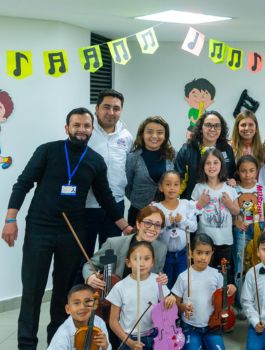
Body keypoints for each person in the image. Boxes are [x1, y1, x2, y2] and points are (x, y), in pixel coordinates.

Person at [2, 107, 132, 349]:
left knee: (63, 292)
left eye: (86, 126)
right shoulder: (47, 151)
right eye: (77, 125)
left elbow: (105, 197)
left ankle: (57, 342)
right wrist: (10, 220)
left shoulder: (95, 160)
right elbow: (22, 183)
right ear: (67, 128)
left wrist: (125, 227)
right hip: (39, 229)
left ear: (91, 130)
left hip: (72, 233)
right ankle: (26, 345)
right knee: (33, 291)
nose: (81, 130)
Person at [85, 89, 132, 253]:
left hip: (116, 204)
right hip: (87, 205)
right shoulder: (86, 132)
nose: (111, 112)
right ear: (96, 108)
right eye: (106, 107)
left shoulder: (126, 136)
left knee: (109, 255)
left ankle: (107, 279)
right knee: (84, 253)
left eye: (116, 108)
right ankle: (85, 280)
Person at [106, 241, 176, 350]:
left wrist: (171, 298)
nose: (142, 264)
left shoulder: (157, 280)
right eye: (137, 259)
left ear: (153, 262)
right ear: (128, 263)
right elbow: (113, 321)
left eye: (146, 259)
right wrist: (129, 343)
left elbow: (167, 300)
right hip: (129, 338)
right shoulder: (120, 287)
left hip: (155, 336)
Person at [172, 234, 236, 350]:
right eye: (199, 252)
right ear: (191, 253)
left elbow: (224, 298)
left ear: (212, 253)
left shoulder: (217, 275)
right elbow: (176, 302)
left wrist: (231, 288)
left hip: (212, 325)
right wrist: (182, 307)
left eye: (207, 253)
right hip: (190, 326)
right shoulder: (183, 276)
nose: (203, 257)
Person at [84, 205, 168, 288]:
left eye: (157, 225)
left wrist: (162, 278)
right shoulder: (114, 245)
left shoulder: (161, 249)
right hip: (114, 296)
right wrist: (90, 277)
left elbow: (157, 274)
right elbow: (91, 265)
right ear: (138, 224)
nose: (152, 228)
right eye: (148, 223)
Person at [192, 148, 241, 283]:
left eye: (215, 163)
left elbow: (237, 211)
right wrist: (200, 204)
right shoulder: (199, 187)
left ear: (221, 165)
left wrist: (230, 204)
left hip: (225, 241)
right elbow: (191, 213)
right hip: (204, 242)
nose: (212, 166)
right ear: (203, 166)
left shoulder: (229, 188)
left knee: (223, 275)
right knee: (203, 274)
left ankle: (222, 302)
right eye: (208, 163)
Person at [233, 155, 265, 316]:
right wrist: (236, 221)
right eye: (243, 171)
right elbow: (231, 211)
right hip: (241, 229)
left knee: (259, 263)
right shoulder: (234, 189)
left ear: (257, 171)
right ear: (238, 172)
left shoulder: (262, 188)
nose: (247, 174)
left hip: (258, 227)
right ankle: (241, 304)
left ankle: (259, 302)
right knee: (241, 264)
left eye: (251, 171)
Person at [151, 170, 198, 289]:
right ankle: (166, 307)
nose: (172, 188)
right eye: (168, 184)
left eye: (176, 184)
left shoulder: (186, 205)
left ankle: (180, 307)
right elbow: (153, 233)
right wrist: (166, 223)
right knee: (165, 285)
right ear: (161, 187)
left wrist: (182, 221)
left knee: (182, 285)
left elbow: (193, 228)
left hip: (183, 254)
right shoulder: (156, 207)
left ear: (180, 187)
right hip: (163, 256)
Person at [125, 116, 175, 224]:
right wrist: (140, 200)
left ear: (165, 135)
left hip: (166, 213)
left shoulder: (172, 156)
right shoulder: (133, 158)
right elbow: (127, 186)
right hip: (138, 213)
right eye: (150, 132)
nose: (154, 136)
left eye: (160, 132)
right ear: (142, 134)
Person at [177, 111, 236, 200]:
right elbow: (178, 178)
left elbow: (231, 174)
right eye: (208, 125)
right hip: (191, 203)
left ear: (221, 129)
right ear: (201, 128)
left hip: (220, 203)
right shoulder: (187, 149)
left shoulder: (227, 149)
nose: (212, 129)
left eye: (217, 126)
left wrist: (232, 180)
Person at [48, 284, 110, 350]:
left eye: (87, 301)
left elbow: (108, 348)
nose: (82, 307)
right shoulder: (62, 334)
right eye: (77, 303)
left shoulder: (100, 323)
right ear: (68, 309)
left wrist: (105, 346)